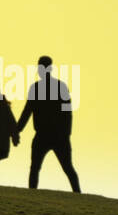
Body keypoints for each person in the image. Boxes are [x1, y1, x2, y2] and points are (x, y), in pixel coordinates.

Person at [16, 55, 80, 193]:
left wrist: (16, 130)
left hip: (49, 135)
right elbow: (68, 113)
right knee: (65, 167)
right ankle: (77, 193)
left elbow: (27, 112)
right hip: (53, 135)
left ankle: (33, 194)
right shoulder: (58, 87)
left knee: (39, 168)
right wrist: (17, 130)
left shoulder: (38, 88)